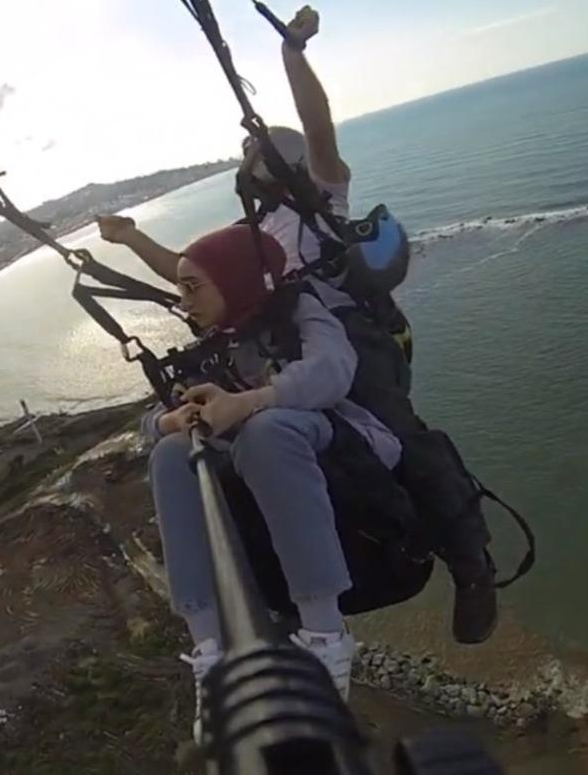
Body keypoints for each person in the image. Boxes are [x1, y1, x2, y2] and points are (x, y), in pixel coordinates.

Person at [99, 7, 498, 644]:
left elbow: (319, 127)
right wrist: (130, 239)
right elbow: (188, 269)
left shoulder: (322, 197)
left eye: (255, 151)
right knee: (255, 442)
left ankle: (472, 566)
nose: (247, 159)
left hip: (349, 336)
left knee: (404, 440)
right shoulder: (251, 234)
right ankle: (284, 591)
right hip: (280, 337)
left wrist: (292, 55)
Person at [145, 224, 411, 740]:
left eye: (193, 286)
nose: (183, 301)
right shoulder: (211, 348)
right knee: (169, 455)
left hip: (337, 442)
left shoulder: (297, 313)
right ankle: (211, 654)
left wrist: (248, 402)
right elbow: (152, 419)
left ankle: (325, 641)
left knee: (265, 432)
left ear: (234, 279)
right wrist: (171, 422)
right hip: (269, 460)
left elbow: (334, 370)